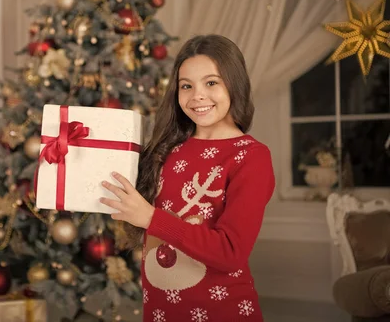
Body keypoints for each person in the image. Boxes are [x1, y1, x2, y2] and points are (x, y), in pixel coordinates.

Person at [99, 34, 275, 321]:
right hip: (160, 313)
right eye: (186, 86)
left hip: (223, 313)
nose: (197, 96)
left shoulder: (251, 157)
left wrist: (151, 219)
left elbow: (230, 252)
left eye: (211, 83)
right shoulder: (166, 150)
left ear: (235, 84)